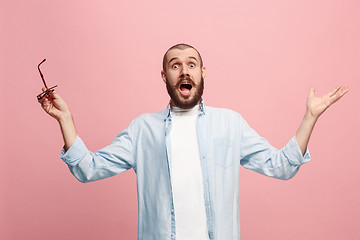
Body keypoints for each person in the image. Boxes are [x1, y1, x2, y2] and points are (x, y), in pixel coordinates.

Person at [38, 43, 349, 240]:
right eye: (175, 65)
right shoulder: (142, 130)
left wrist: (310, 117)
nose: (184, 70)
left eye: (191, 64)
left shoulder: (230, 123)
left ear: (202, 72)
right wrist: (66, 120)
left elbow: (281, 166)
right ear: (164, 76)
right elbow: (87, 169)